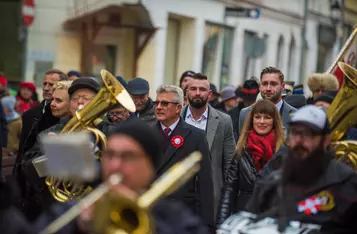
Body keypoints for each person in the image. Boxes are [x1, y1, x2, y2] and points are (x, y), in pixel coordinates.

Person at [35, 119, 209, 234]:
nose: (115, 165)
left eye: (128, 156)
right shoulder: (74, 211)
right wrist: (79, 227)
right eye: (110, 155)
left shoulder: (175, 218)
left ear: (150, 165)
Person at [246, 105, 357, 234]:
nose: (299, 140)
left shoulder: (346, 183)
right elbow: (249, 223)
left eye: (308, 134)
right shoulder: (271, 184)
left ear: (325, 140)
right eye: (295, 132)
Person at [154, 84, 214, 230]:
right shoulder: (146, 132)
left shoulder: (195, 136)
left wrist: (207, 224)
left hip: (182, 214)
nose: (159, 107)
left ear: (178, 108)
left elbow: (205, 183)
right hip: (152, 213)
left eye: (165, 103)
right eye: (157, 103)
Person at [217, 100, 284, 225]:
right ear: (252, 120)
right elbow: (230, 189)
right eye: (257, 117)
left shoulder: (284, 151)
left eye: (267, 117)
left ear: (274, 121)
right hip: (245, 214)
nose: (262, 121)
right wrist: (221, 222)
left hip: (273, 218)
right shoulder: (241, 149)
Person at [182, 73, 235, 217]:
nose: (197, 93)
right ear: (187, 92)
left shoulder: (224, 121)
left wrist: (226, 197)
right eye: (193, 89)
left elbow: (230, 162)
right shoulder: (176, 117)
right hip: (180, 193)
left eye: (202, 89)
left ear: (210, 94)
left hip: (210, 194)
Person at [239, 67, 296, 136]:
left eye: (273, 84)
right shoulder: (245, 113)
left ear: (282, 86)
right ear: (260, 86)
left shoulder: (295, 115)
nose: (268, 88)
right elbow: (242, 144)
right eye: (265, 84)